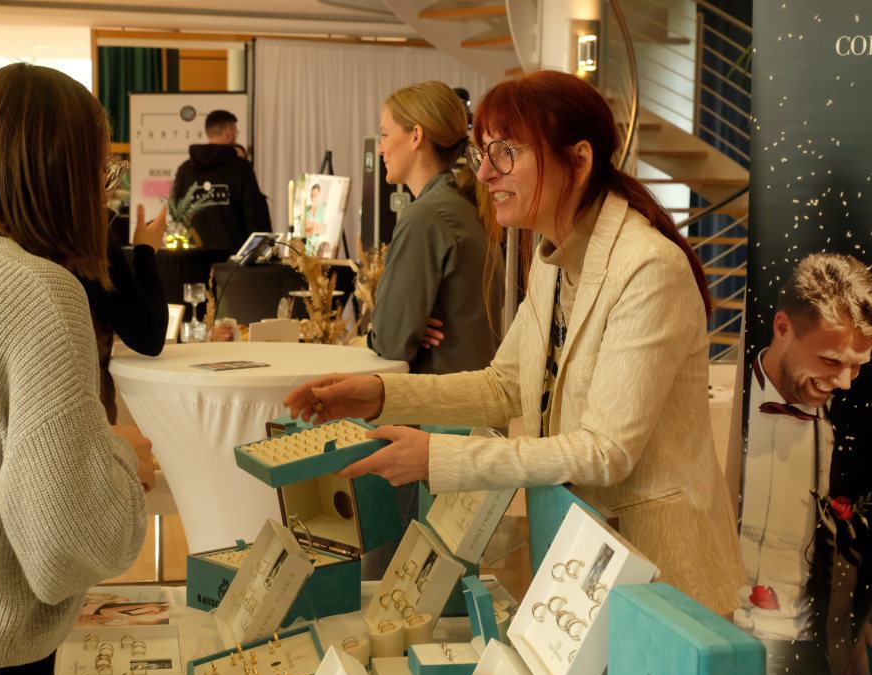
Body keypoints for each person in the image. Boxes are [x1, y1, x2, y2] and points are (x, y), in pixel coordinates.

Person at [286, 70, 745, 615]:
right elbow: (504, 386)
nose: (484, 173)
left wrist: (439, 456)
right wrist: (382, 395)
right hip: (581, 555)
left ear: (579, 160)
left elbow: (606, 452)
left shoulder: (647, 267)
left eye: (505, 152)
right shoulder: (552, 258)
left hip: (659, 574)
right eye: (482, 153)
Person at [0, 63, 152, 675]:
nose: (107, 192)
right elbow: (68, 544)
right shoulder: (37, 291)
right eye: (103, 170)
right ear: (61, 173)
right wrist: (121, 456)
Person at [738, 252, 872, 675]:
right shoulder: (720, 407)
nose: (845, 382)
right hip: (713, 631)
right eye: (831, 360)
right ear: (783, 328)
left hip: (806, 652)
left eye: (857, 366)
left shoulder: (853, 427)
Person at [369, 81, 504, 374]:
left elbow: (390, 340)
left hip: (440, 396)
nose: (380, 148)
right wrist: (407, 325)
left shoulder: (425, 216)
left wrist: (384, 329)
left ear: (416, 136)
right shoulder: (462, 208)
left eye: (385, 134)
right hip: (467, 391)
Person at [81, 202, 169, 423]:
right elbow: (149, 336)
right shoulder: (85, 237)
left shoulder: (10, 236)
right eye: (107, 184)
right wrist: (146, 250)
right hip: (88, 417)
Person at [171, 109, 271, 251]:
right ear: (229, 131)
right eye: (236, 132)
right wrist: (261, 251)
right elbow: (254, 217)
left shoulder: (185, 170)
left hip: (194, 257)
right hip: (233, 259)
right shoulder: (241, 168)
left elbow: (177, 217)